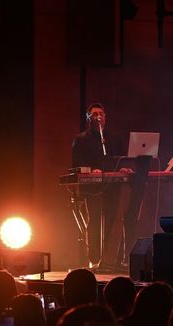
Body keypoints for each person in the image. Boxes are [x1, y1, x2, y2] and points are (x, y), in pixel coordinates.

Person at [71, 103, 130, 270]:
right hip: (93, 188)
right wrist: (91, 170)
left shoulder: (114, 137)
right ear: (89, 118)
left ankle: (111, 259)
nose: (98, 116)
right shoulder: (81, 139)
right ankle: (95, 259)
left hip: (112, 186)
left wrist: (122, 168)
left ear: (105, 117)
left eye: (101, 114)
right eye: (94, 114)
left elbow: (120, 159)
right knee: (95, 221)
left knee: (113, 219)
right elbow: (77, 163)